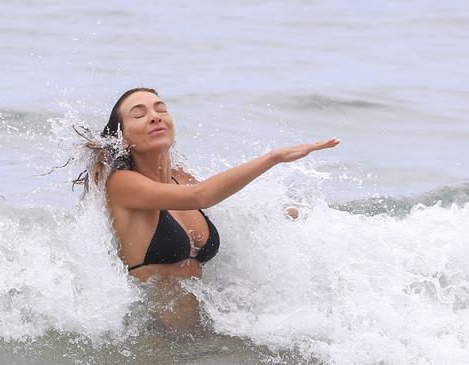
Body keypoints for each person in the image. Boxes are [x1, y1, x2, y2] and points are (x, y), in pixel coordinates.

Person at [75, 87, 339, 328]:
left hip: (205, 333)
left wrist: (278, 214)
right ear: (122, 139)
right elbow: (201, 197)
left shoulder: (181, 177)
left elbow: (228, 205)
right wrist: (275, 157)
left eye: (161, 109)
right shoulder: (122, 185)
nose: (155, 116)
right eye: (139, 114)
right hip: (157, 342)